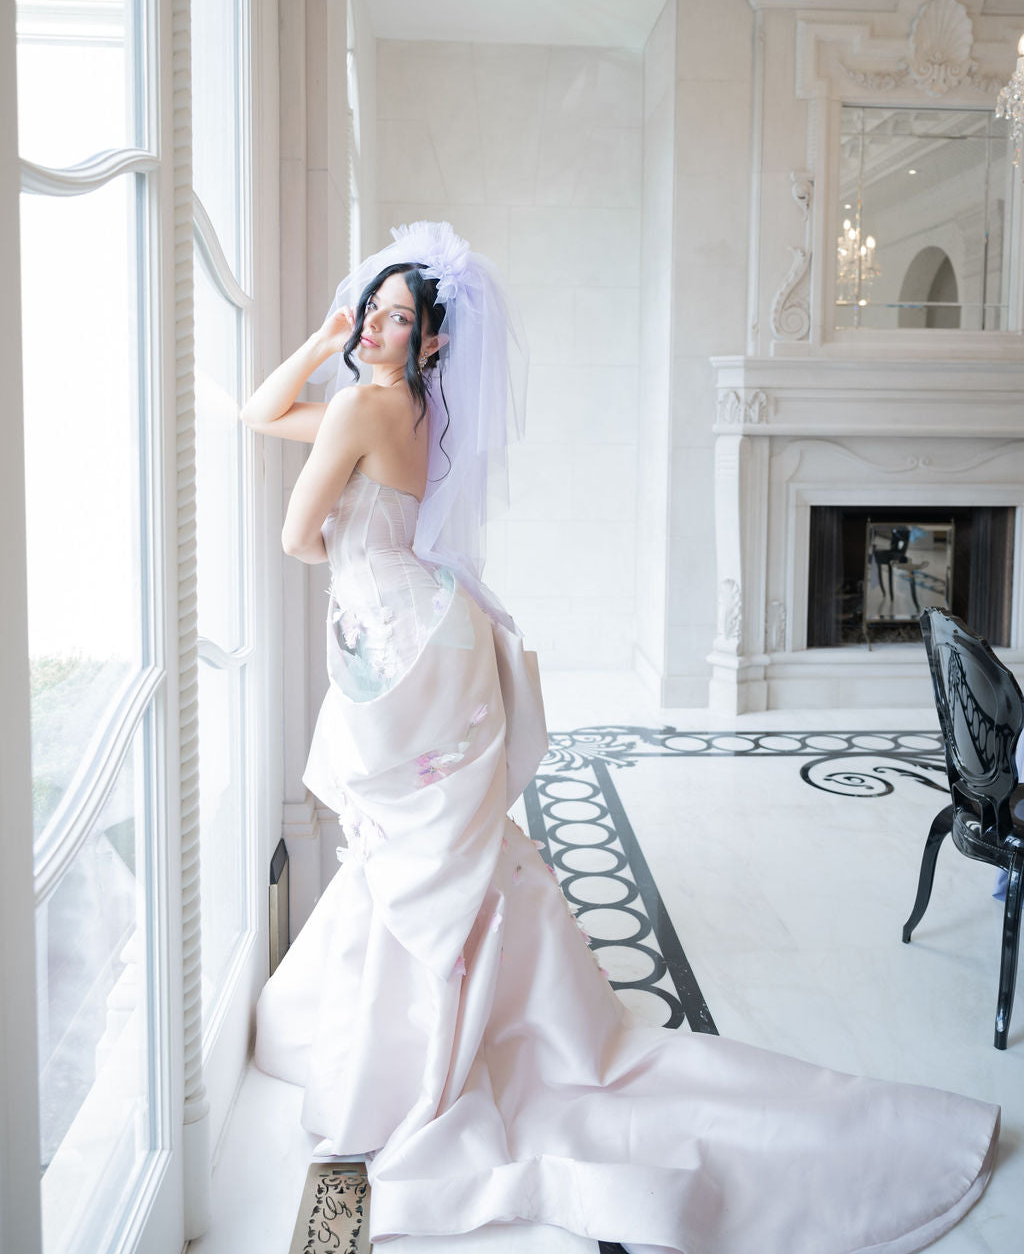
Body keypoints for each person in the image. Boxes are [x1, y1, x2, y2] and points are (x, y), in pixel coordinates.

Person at [244, 222, 998, 1254]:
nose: (374, 326)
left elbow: (295, 538)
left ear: (427, 340)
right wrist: (328, 333)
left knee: (414, 853)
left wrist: (331, 379)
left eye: (394, 317)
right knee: (433, 849)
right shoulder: (412, 406)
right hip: (430, 637)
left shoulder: (363, 404)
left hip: (395, 648)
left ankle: (419, 1046)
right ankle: (446, 1021)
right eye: (369, 311)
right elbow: (266, 411)